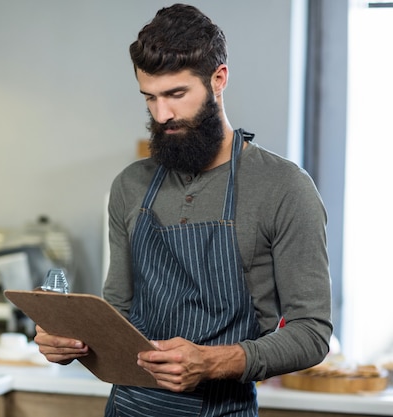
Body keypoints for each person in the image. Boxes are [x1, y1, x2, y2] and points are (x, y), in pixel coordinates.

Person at [34, 4, 332, 416]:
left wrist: (212, 362)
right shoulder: (130, 185)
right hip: (127, 407)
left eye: (176, 94)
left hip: (221, 409)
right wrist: (69, 341)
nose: (162, 115)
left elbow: (311, 333)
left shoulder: (284, 187)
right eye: (150, 98)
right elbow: (117, 313)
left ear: (219, 79)